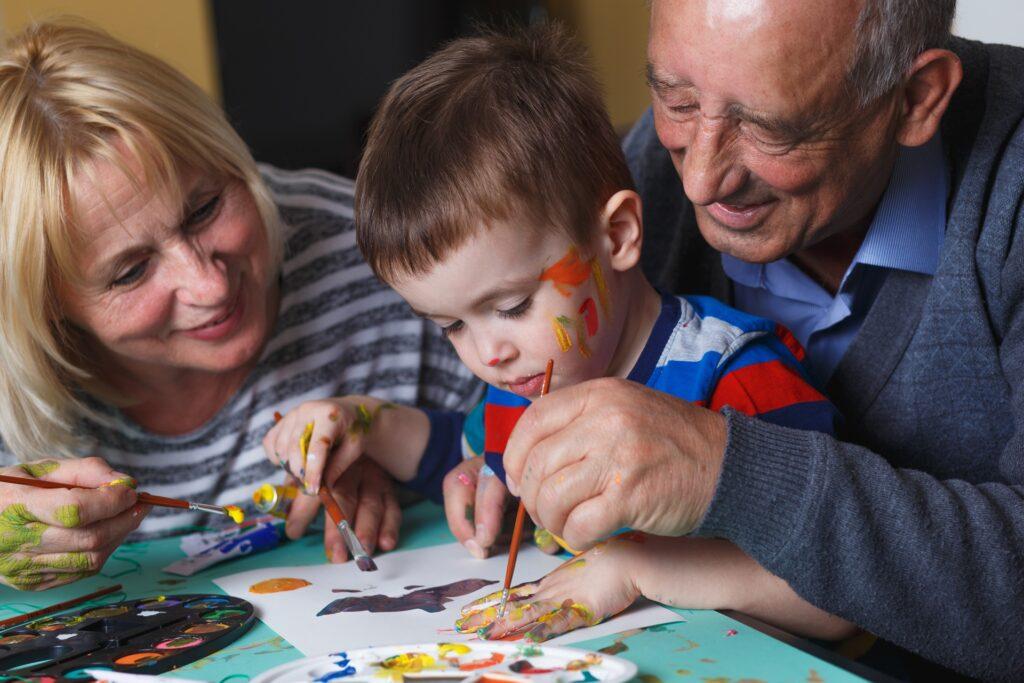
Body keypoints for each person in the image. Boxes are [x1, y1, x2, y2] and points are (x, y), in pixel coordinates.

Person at [481, 0, 1024, 678]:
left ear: (914, 98)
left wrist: (721, 467)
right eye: (673, 98)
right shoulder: (653, 169)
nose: (701, 180)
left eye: (770, 129)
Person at [265, 24, 854, 643]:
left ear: (619, 235)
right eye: (451, 327)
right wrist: (361, 421)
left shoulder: (737, 377)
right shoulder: (524, 384)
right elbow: (454, 451)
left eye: (514, 304)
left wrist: (634, 567)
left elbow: (838, 595)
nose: (488, 353)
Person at [0, 22, 480, 591]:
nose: (209, 285)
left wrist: (404, 452)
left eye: (204, 209)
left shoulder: (386, 254)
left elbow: (531, 442)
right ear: (46, 308)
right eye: (130, 271)